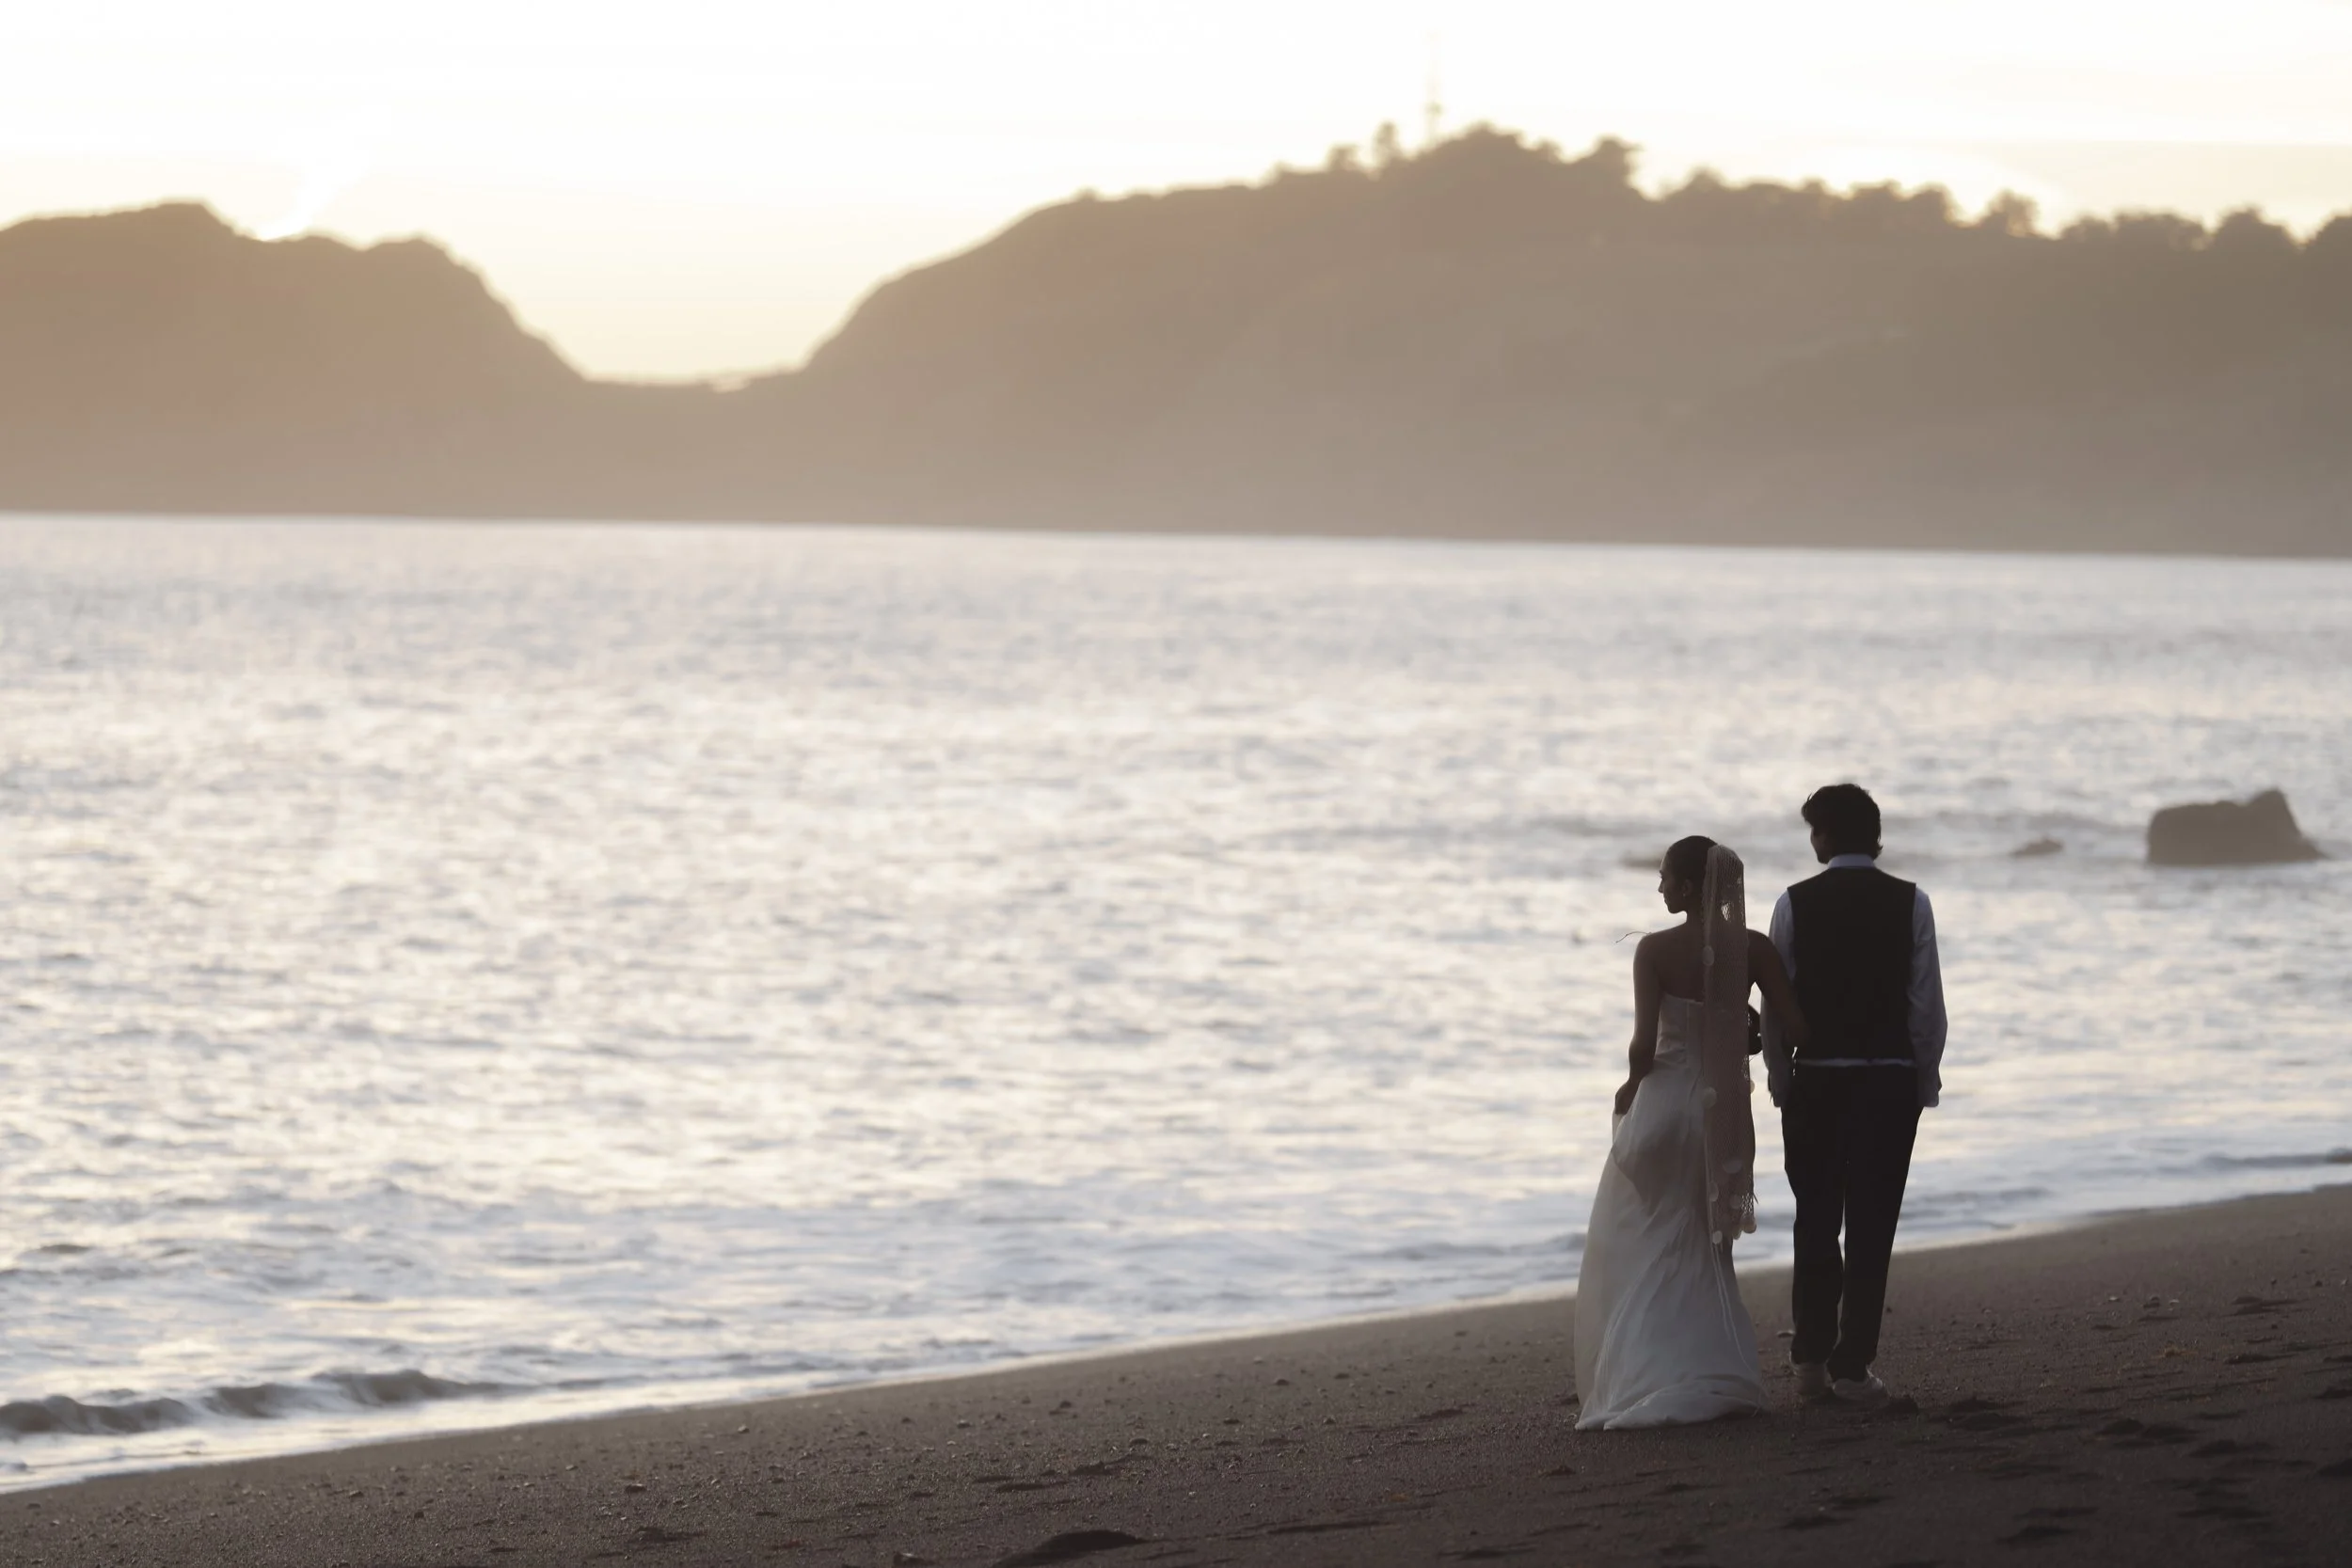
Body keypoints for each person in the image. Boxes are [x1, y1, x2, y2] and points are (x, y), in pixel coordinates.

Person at [1574, 835, 1807, 1429]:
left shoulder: (1652, 950)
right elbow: (1794, 1027)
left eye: (1665, 877)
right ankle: (1711, 1367)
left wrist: (1630, 1087)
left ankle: (1652, 1372)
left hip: (1663, 1109)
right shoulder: (1753, 949)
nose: (1659, 887)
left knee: (1653, 1239)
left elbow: (1642, 1046)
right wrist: (1744, 1034)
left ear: (1686, 886)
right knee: (1707, 1243)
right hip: (1720, 1116)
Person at [1760, 784, 1947, 1410]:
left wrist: (1780, 1078)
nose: (1811, 841)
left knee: (1815, 1219)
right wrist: (1925, 1079)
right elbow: (1926, 1004)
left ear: (1825, 835)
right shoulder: (1912, 901)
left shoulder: (1793, 902)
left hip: (1817, 1079)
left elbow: (1777, 1003)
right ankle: (1852, 1364)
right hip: (1888, 1080)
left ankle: (1810, 1357)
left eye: (1814, 830)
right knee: (1872, 1225)